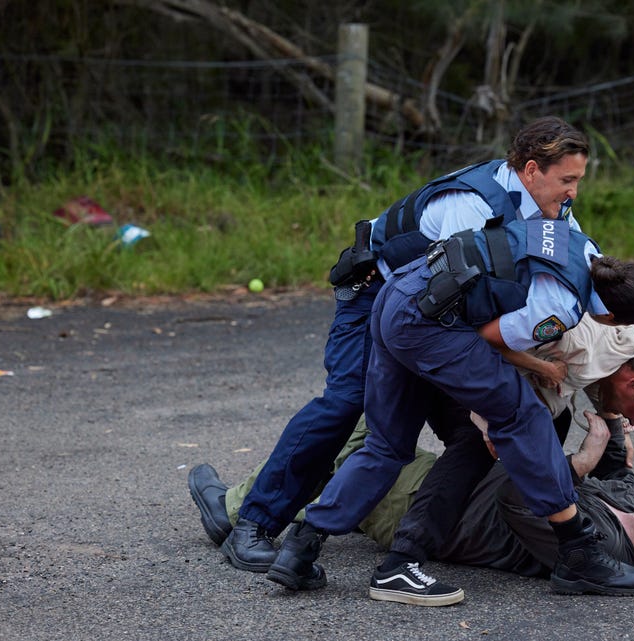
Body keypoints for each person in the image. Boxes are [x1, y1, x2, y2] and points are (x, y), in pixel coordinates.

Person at [192, 117, 593, 576]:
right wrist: (523, 369)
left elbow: (573, 258)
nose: (574, 192)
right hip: (379, 296)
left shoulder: (550, 208)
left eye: (578, 180)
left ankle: (247, 510)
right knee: (349, 401)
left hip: (427, 316)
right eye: (567, 180)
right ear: (529, 170)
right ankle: (253, 523)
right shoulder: (471, 208)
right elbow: (456, 306)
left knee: (442, 426)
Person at [264, 198, 634, 600]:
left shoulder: (579, 241)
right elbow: (491, 339)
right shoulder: (563, 306)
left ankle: (301, 548)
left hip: (400, 292)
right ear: (614, 316)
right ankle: (580, 554)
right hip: (429, 322)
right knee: (526, 419)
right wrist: (502, 402)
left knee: (387, 445)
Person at [189, 373, 634, 594]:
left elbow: (521, 495)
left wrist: (583, 462)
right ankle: (257, 503)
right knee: (389, 410)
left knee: (356, 423)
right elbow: (617, 463)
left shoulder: (604, 548)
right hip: (451, 478)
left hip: (422, 513)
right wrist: (612, 408)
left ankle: (237, 510)